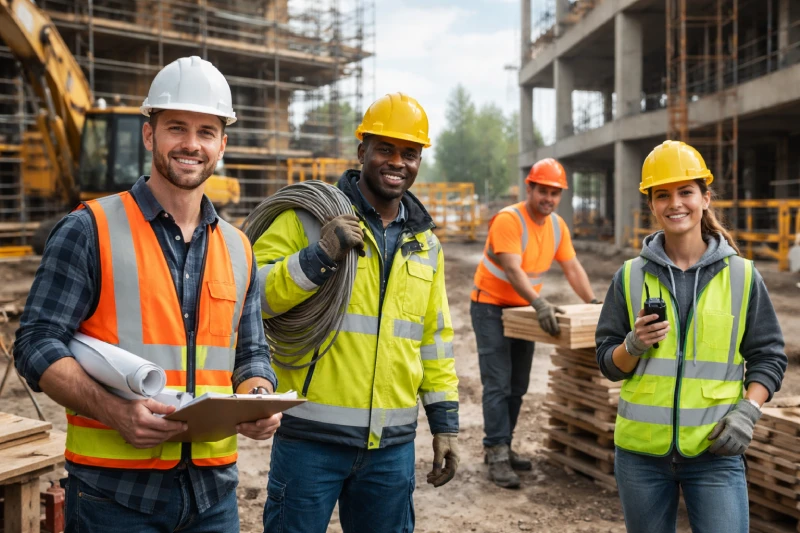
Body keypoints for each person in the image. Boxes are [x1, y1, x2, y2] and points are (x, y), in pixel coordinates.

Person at [14, 56, 281, 533]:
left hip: (213, 497)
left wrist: (258, 395)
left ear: (223, 143)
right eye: (176, 127)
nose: (191, 144)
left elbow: (251, 351)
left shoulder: (239, 248)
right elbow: (35, 343)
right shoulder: (89, 229)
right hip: (112, 498)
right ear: (149, 134)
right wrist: (115, 412)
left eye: (206, 131)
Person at [254, 92, 460, 533]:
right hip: (311, 440)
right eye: (385, 149)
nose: (397, 162)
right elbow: (253, 298)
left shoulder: (426, 245)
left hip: (391, 448)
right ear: (362, 149)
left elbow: (434, 340)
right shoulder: (305, 220)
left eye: (410, 153)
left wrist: (445, 425)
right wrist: (318, 256)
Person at [595, 140, 787, 533]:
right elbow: (608, 364)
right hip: (640, 456)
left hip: (715, 452)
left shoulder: (743, 276)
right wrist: (632, 346)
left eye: (686, 192)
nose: (675, 203)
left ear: (705, 197)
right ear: (651, 204)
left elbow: (769, 356)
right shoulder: (629, 277)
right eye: (662, 195)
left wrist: (748, 413)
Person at [470, 157, 600, 489]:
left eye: (555, 193)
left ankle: (503, 445)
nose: (549, 199)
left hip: (524, 311)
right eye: (543, 191)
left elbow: (573, 268)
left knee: (518, 385)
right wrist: (540, 303)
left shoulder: (557, 226)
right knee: (498, 384)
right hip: (491, 307)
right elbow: (513, 270)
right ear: (530, 188)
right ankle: (496, 453)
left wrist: (593, 303)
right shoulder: (508, 220)